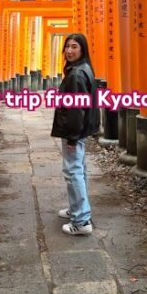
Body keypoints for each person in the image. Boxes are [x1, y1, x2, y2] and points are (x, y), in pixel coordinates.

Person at [50, 32, 101, 235]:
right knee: (77, 169)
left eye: (74, 47)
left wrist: (72, 136)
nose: (69, 51)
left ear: (82, 49)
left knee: (73, 172)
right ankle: (76, 209)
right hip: (80, 129)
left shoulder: (77, 74)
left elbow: (76, 109)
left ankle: (81, 220)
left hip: (75, 131)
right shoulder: (83, 68)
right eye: (67, 47)